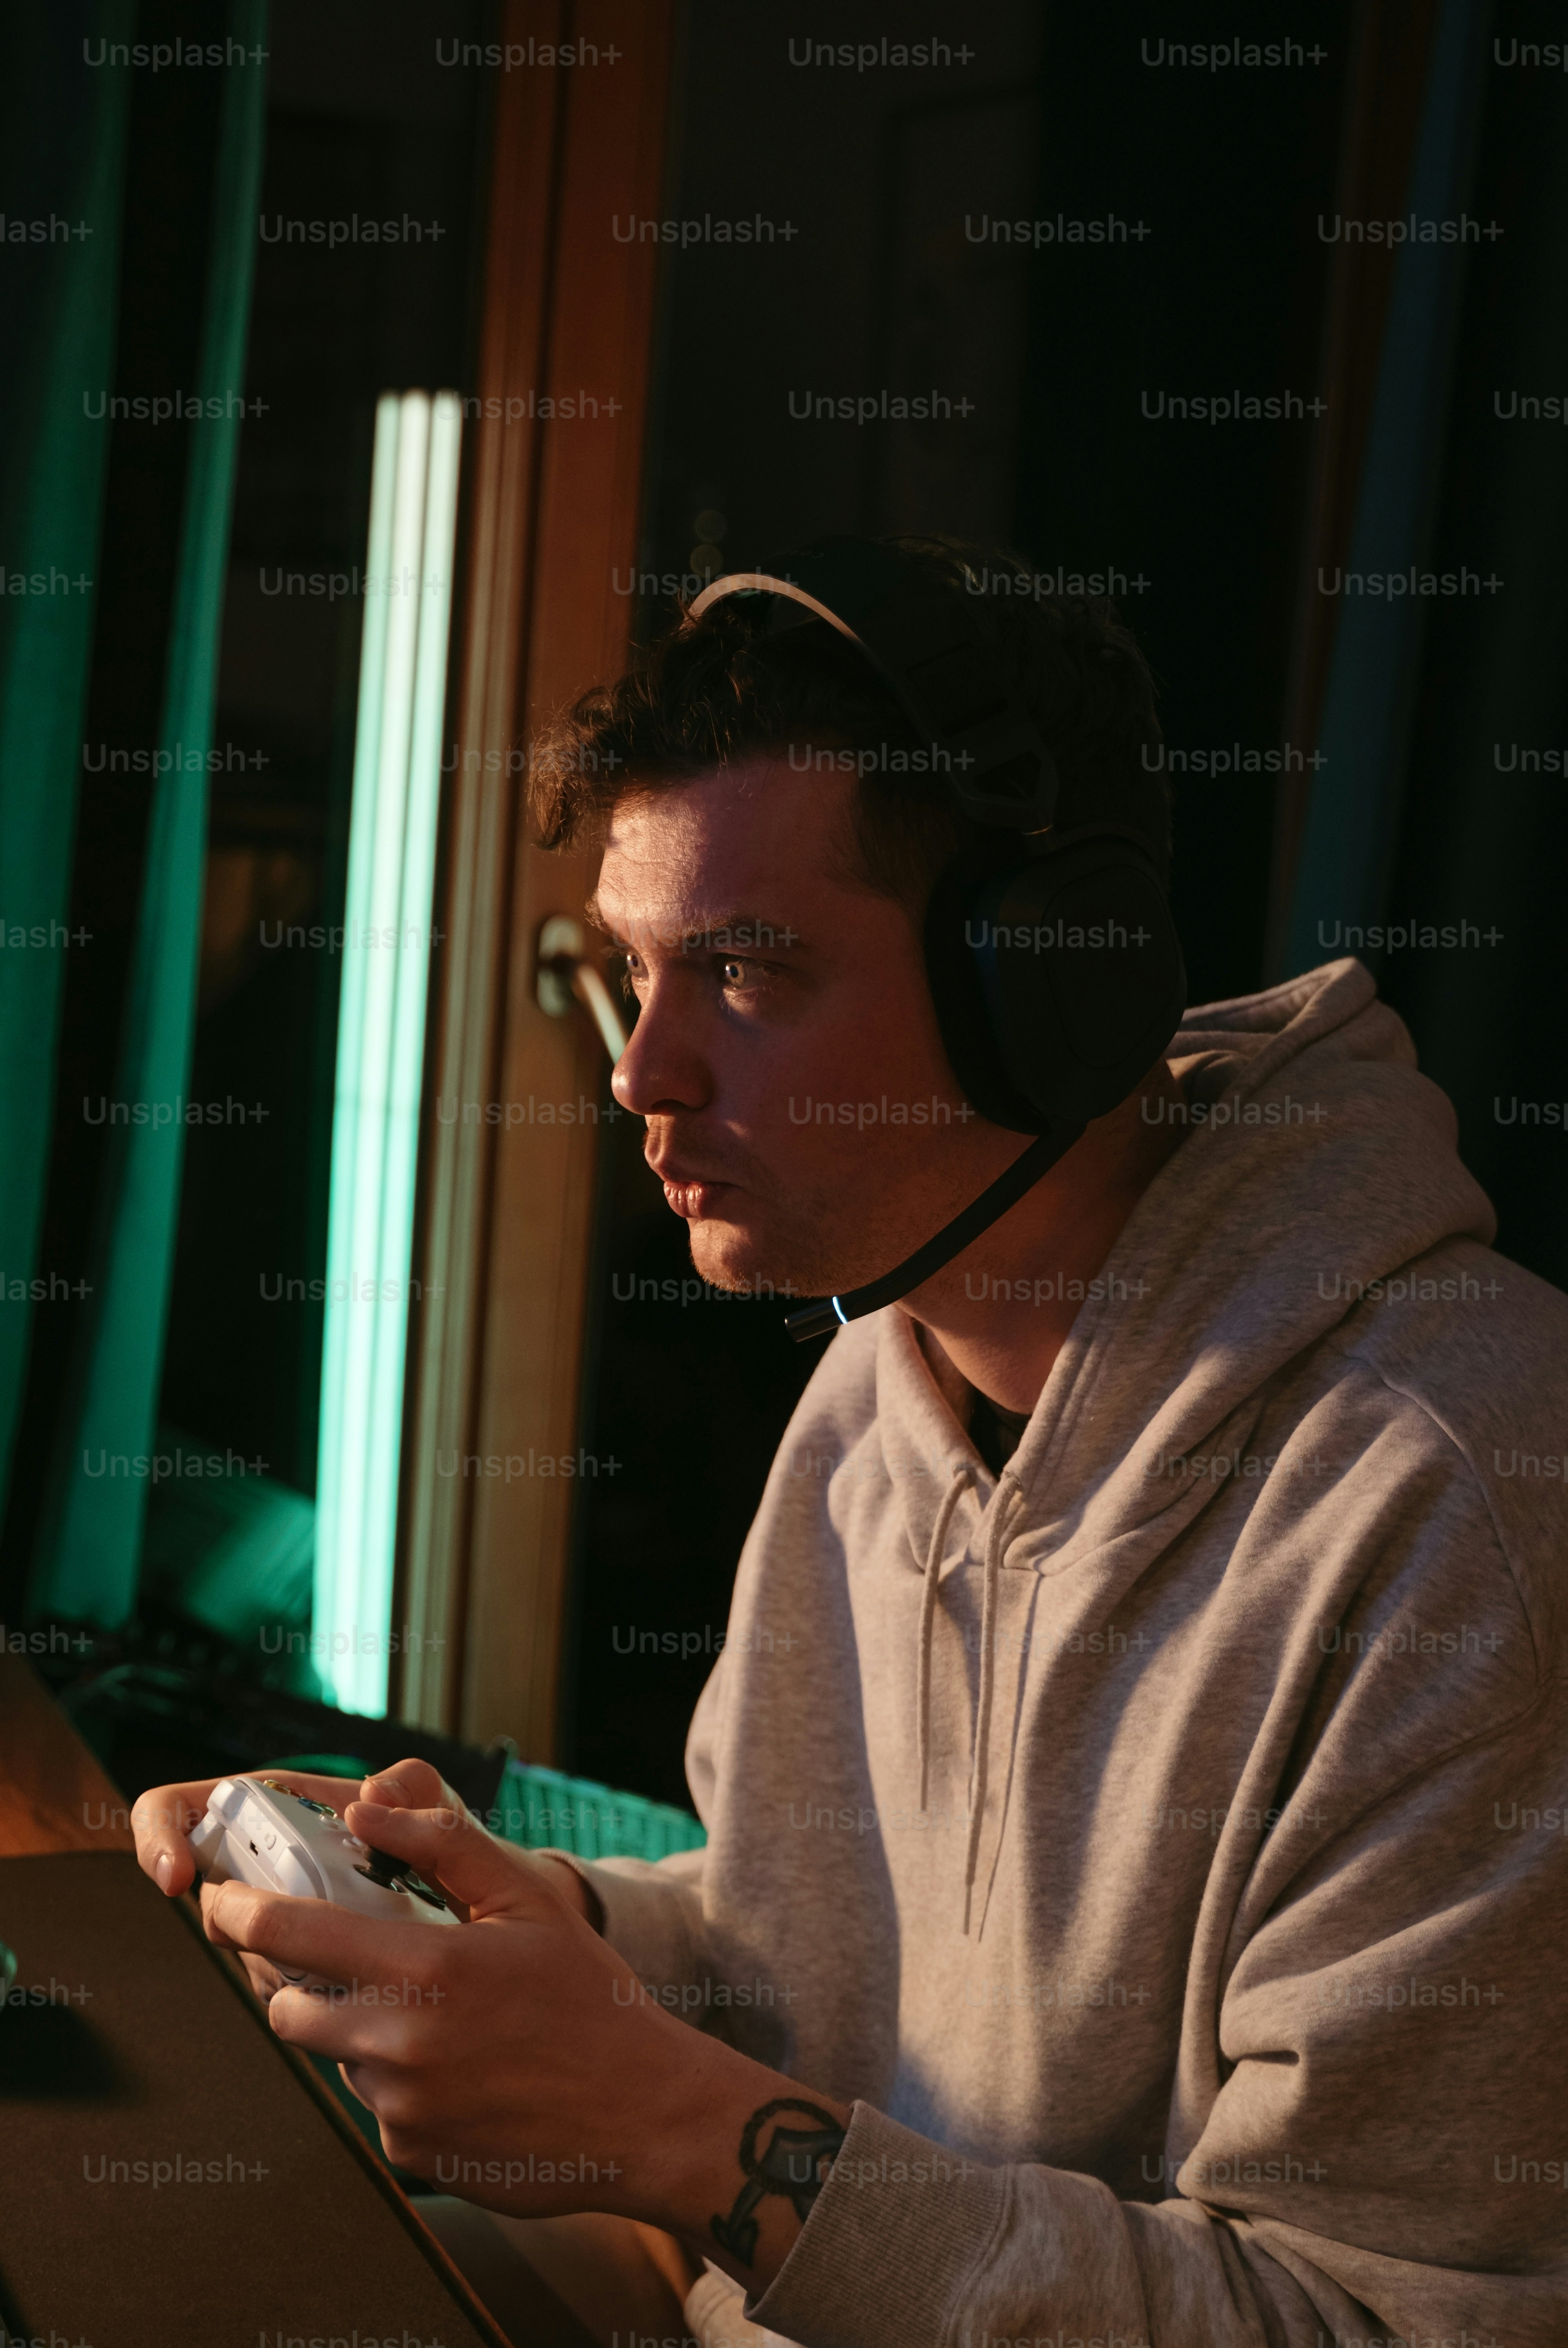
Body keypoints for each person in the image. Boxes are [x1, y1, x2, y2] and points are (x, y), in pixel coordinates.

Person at [135, 539, 1568, 2348]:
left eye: (741, 968)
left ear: (1051, 980)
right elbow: (791, 1970)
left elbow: (1374, 2326)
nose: (640, 1073)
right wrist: (508, 1926)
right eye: (631, 973)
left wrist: (668, 2123)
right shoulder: (869, 1389)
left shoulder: (1453, 1499)